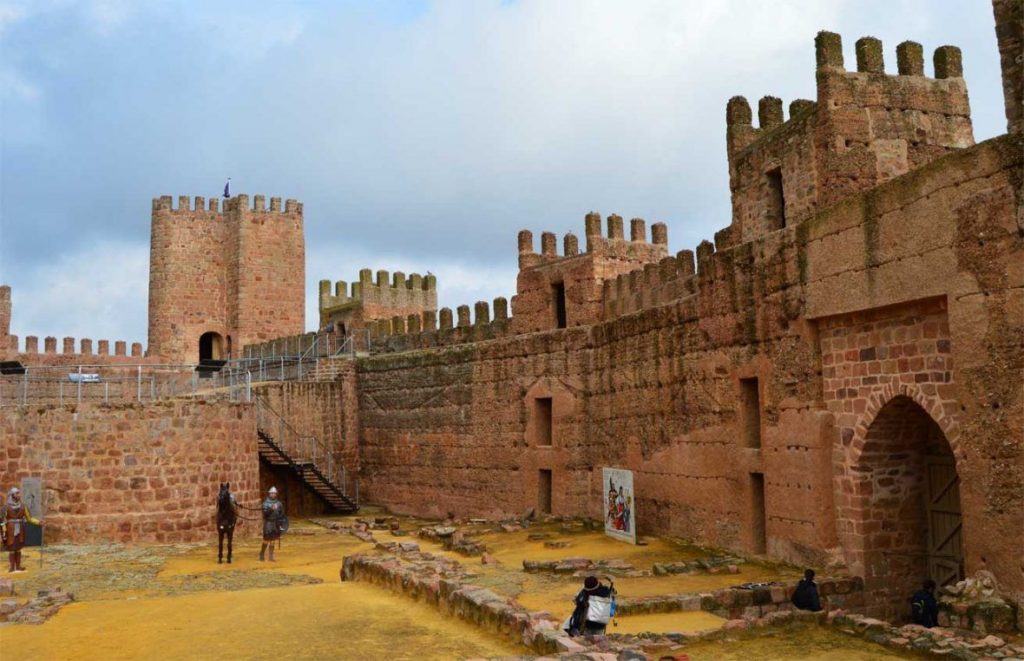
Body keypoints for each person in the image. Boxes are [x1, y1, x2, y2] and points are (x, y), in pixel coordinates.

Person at [1, 487, 43, 573]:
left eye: (19, 493)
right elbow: (2, 521)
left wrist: (39, 522)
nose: (19, 495)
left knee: (18, 548)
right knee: (12, 548)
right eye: (17, 494)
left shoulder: (23, 507)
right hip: (10, 529)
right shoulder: (6, 507)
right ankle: (12, 567)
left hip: (20, 529)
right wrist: (3, 532)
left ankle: (18, 566)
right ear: (12, 495)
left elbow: (29, 518)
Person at [259, 486, 284, 562]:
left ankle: (271, 556)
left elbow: (281, 514)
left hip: (275, 523)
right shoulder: (265, 503)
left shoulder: (279, 504)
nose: (273, 495)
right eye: (271, 493)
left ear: (276, 494)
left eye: (274, 493)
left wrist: (281, 524)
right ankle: (262, 553)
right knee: (266, 539)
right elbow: (265, 514)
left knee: (273, 540)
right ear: (269, 494)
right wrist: (271, 509)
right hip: (268, 523)